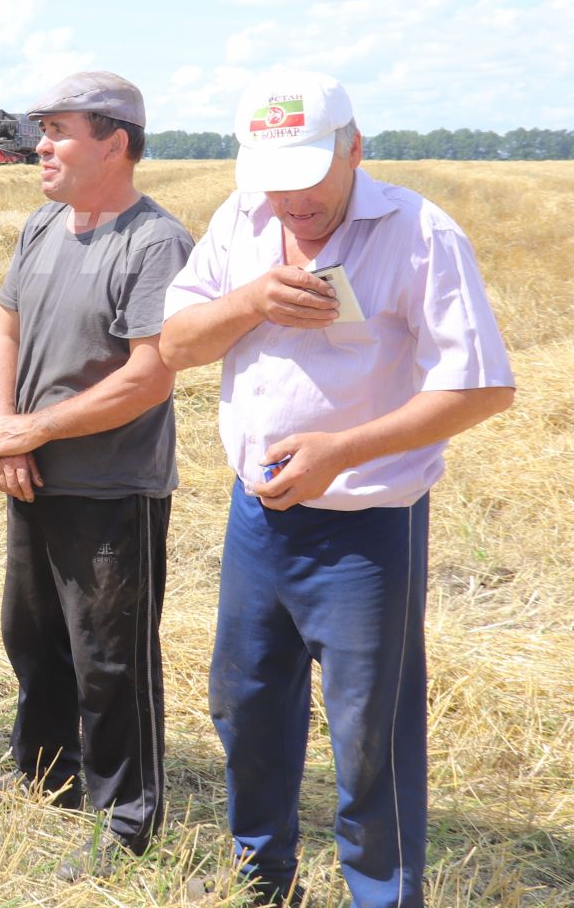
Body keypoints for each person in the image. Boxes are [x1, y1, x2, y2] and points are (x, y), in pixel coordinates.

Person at [160, 71, 514, 908]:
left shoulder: (420, 233)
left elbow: (484, 388)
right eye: (272, 180)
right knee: (244, 706)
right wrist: (251, 300)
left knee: (369, 734)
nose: (291, 200)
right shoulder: (239, 223)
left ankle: (382, 894)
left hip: (368, 527)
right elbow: (175, 344)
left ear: (356, 147)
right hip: (258, 520)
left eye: (311, 175)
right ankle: (262, 878)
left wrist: (341, 451)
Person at [0, 71, 193, 874]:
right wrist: (8, 435)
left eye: (59, 131)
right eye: (43, 130)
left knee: (111, 657)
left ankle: (127, 816)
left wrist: (37, 427)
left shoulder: (155, 241)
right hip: (33, 476)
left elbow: (151, 375)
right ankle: (45, 776)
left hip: (111, 487)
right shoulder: (42, 225)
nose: (42, 146)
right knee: (32, 638)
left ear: (116, 144)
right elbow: (5, 329)